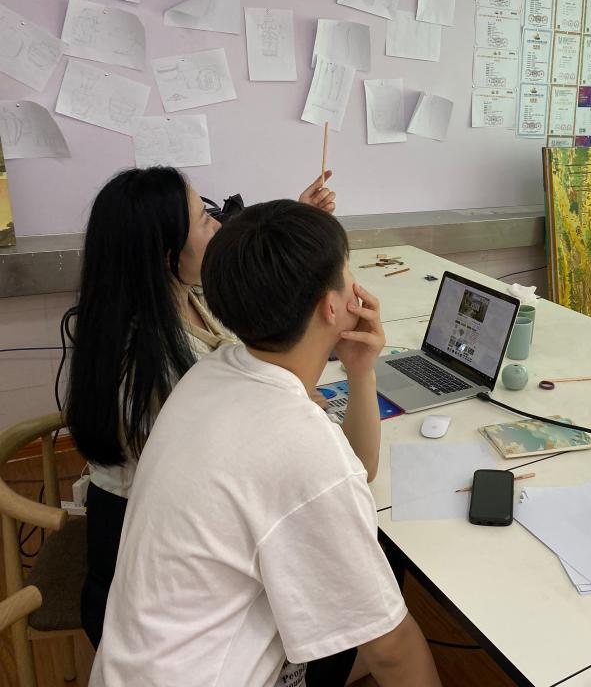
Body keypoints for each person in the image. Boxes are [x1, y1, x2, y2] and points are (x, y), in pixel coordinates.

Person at [90, 201, 440, 687]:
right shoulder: (298, 442)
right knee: (397, 629)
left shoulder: (212, 372)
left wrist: (361, 371)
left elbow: (354, 469)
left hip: (132, 669)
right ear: (331, 306)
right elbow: (393, 652)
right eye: (347, 273)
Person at [64, 167, 336, 650]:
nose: (218, 225)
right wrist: (290, 401)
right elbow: (231, 461)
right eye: (205, 219)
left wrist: (293, 223)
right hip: (157, 568)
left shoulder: (179, 297)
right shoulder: (146, 363)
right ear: (166, 255)